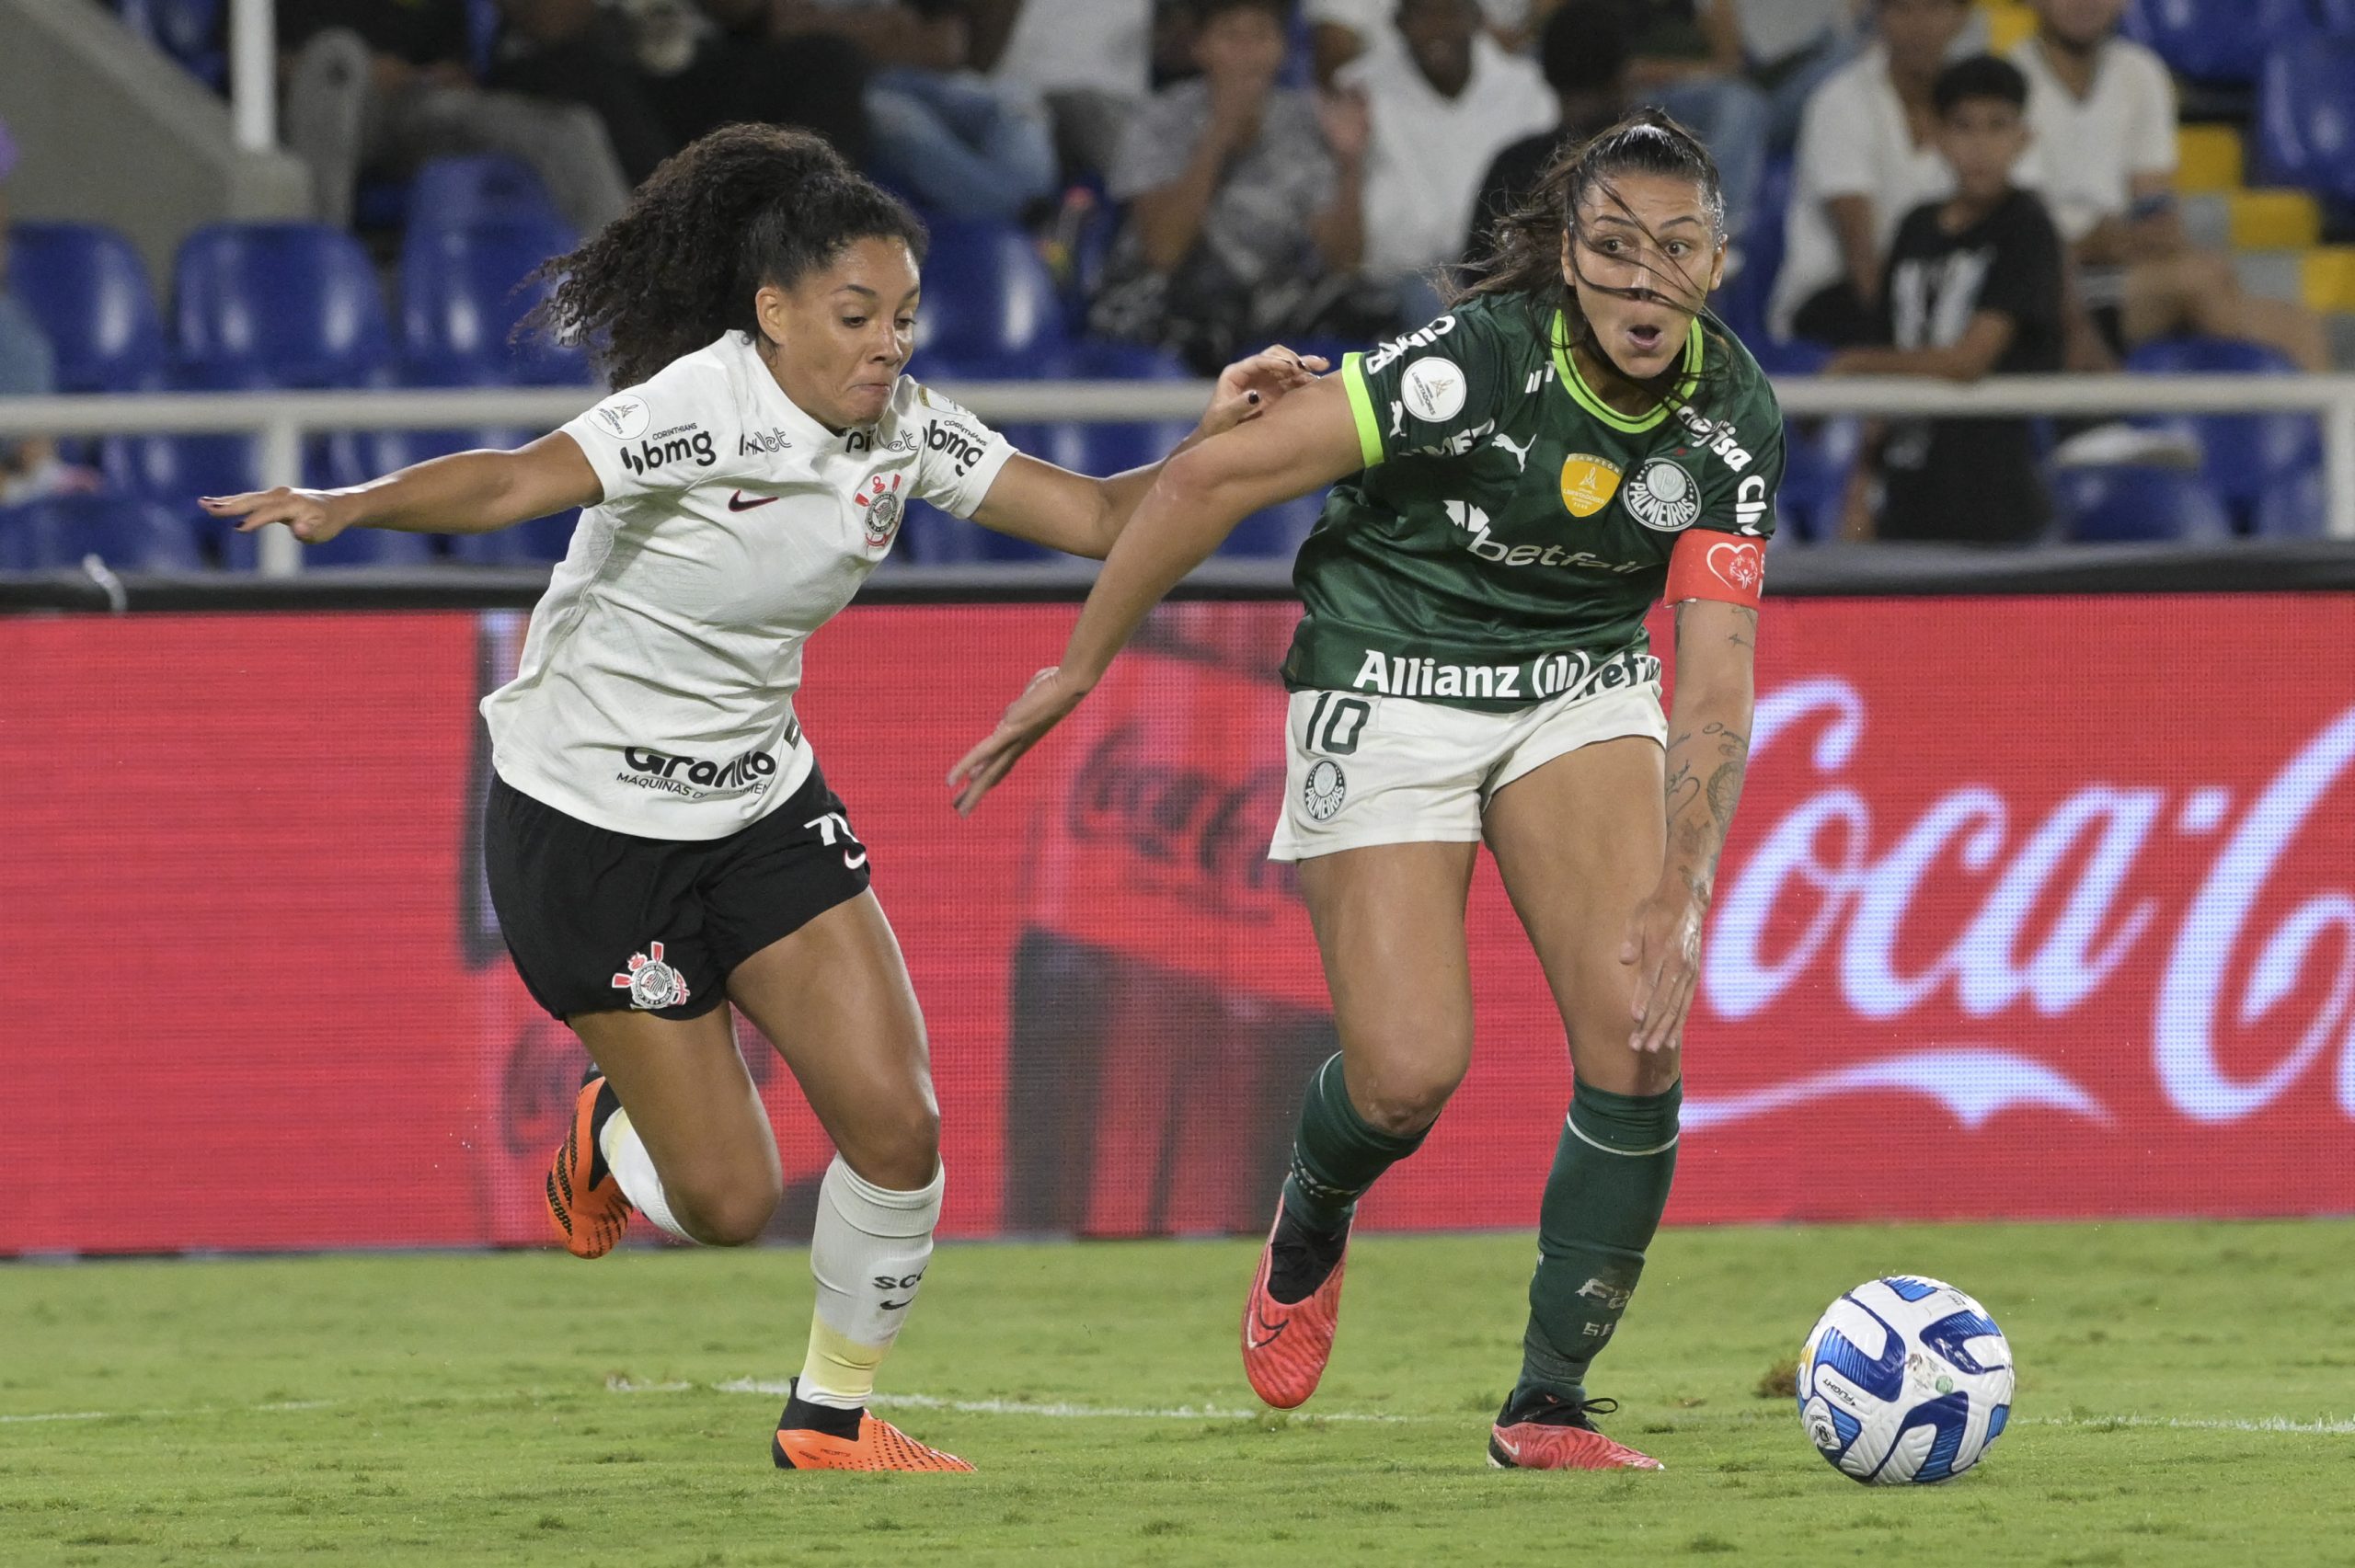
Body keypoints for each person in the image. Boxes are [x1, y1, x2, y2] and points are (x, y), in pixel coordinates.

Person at [197, 125, 1316, 1473]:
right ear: (773, 312)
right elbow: (510, 481)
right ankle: (612, 1134)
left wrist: (1216, 440)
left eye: (903, 316)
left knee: (898, 1128)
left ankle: (829, 1419)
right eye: (856, 317)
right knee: (730, 1200)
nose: (887, 345)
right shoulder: (699, 404)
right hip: (588, 828)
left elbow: (1091, 517)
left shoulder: (903, 425)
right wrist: (345, 504)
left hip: (756, 805)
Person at [949, 109, 1784, 1471]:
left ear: (1720, 261)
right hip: (1388, 673)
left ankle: (1549, 1400)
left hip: (1574, 680)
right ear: (1569, 259)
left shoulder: (1732, 413)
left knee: (1640, 1032)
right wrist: (1080, 665)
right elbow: (1217, 475)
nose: (1647, 279)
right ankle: (1315, 1208)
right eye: (1616, 247)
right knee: (1406, 1076)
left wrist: (1687, 889)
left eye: (1677, 250)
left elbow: (1714, 676)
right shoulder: (1468, 366)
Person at [2011, 0, 2325, 371]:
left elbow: (2155, 203)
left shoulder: (2141, 70)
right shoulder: (2004, 80)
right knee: (2201, 281)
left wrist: (2148, 236)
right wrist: (2089, 243)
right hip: (2049, 285)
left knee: (2301, 324)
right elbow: (2011, 230)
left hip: (2122, 272)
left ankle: (2325, 427)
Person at [1827, 56, 2063, 544]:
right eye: (1964, 127)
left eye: (1998, 127)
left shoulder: (2027, 227)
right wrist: (1861, 486)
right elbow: (1886, 360)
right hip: (1907, 494)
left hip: (1993, 500)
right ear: (1935, 134)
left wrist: (1855, 362)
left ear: (2023, 138)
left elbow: (1970, 359)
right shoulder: (1915, 225)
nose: (1981, 146)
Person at [1092, 0, 1378, 372]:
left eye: (1260, 36)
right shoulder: (1160, 119)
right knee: (1202, 336)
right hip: (1168, 296)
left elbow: (1343, 261)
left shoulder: (1305, 121)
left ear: (1283, 47)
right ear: (1201, 47)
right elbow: (1162, 252)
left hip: (1266, 298)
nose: (1247, 54)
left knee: (1374, 310)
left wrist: (1349, 164)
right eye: (1231, 36)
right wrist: (1219, 132)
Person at [278, 0, 634, 233]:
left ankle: (631, 293)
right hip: (322, 103)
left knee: (570, 128)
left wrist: (438, 74)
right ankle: (319, 258)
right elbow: (243, 57)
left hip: (423, 106)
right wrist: (363, 69)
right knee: (337, 55)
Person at [1771, 0, 1980, 345]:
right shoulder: (1841, 100)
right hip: (1841, 293)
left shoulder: (1976, 105)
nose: (1919, 25)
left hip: (1945, 295)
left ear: (1961, 17)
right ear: (1878, 17)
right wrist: (1910, 341)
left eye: (1934, 8)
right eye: (1902, 9)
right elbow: (1860, 253)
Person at [1339, 0, 1556, 307]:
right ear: (1399, 24)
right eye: (1424, 15)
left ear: (1478, 19)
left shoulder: (1529, 89)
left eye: (1450, 13)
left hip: (1507, 274)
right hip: (1396, 284)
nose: (1438, 28)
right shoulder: (1359, 91)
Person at [1464, 0, 1630, 261]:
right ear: (1623, 77)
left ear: (1545, 76)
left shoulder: (1512, 167)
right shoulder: (1655, 162)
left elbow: (1474, 275)